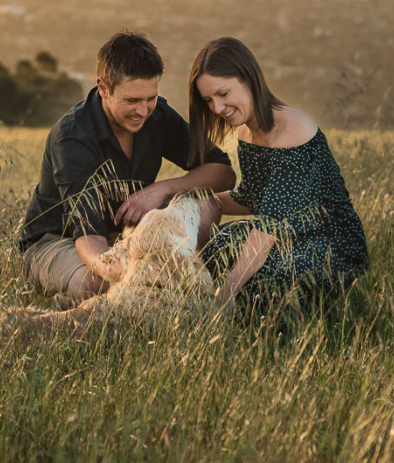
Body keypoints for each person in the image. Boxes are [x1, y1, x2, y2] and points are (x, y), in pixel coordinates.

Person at [20, 31, 236, 300]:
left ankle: (177, 282)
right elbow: (89, 237)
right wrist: (129, 275)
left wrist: (160, 190)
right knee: (94, 284)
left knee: (208, 203)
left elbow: (223, 172)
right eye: (132, 101)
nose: (143, 111)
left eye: (150, 98)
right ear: (103, 89)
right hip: (61, 241)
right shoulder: (72, 138)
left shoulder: (158, 115)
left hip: (129, 234)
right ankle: (157, 290)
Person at [187, 37, 368, 313]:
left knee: (259, 279)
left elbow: (267, 230)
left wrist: (225, 294)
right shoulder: (246, 131)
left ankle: (263, 324)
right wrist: (191, 202)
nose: (217, 108)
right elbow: (252, 199)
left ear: (249, 79)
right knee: (216, 245)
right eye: (209, 100)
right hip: (289, 237)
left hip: (332, 246)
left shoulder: (294, 131)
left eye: (223, 93)